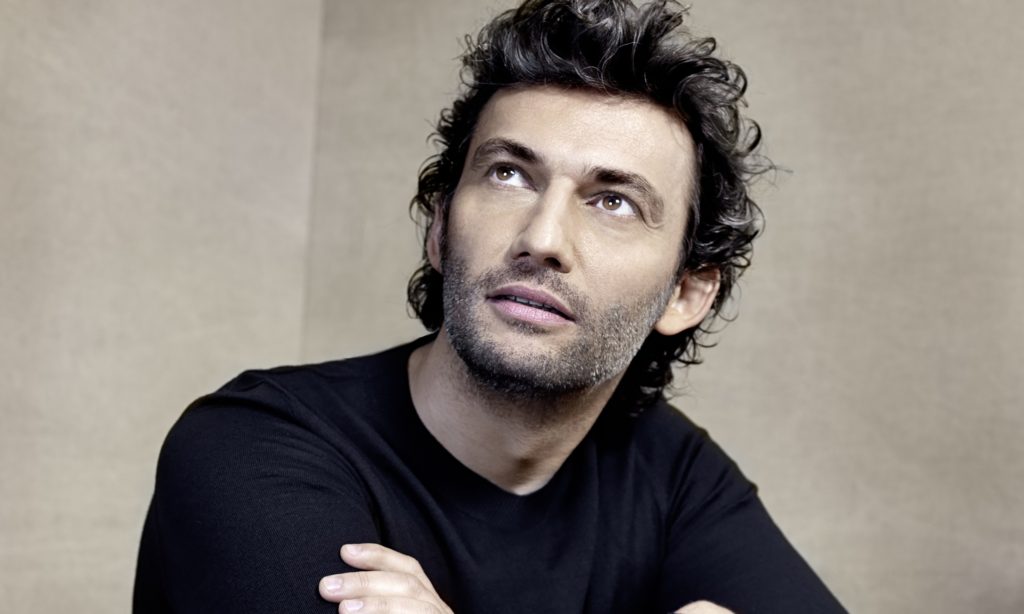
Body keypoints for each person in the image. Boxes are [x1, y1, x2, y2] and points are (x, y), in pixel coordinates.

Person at [134, 1, 846, 612]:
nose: (542, 238)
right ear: (440, 227)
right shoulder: (252, 448)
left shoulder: (672, 473)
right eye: (509, 174)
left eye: (613, 202)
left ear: (687, 292)